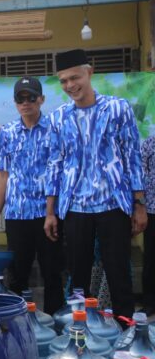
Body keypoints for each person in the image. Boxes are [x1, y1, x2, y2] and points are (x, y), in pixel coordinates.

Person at [44, 49, 146, 321]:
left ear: (90, 72)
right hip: (75, 208)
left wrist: (139, 204)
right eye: (63, 81)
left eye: (74, 77)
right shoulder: (58, 118)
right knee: (78, 278)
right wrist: (51, 212)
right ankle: (82, 331)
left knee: (118, 274)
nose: (70, 86)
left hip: (114, 204)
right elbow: (55, 165)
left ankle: (125, 333)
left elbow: (132, 157)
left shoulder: (117, 108)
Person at [0, 76, 63, 314]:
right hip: (17, 214)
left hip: (47, 214)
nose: (26, 102)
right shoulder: (7, 132)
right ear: (15, 102)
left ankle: (54, 323)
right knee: (18, 273)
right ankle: (17, 321)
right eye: (21, 98)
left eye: (31, 97)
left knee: (52, 271)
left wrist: (51, 212)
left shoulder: (55, 130)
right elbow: (2, 177)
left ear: (42, 99)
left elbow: (56, 173)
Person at [140, 135, 155, 315]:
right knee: (151, 258)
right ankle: (150, 302)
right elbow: (141, 173)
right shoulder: (150, 143)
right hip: (152, 209)